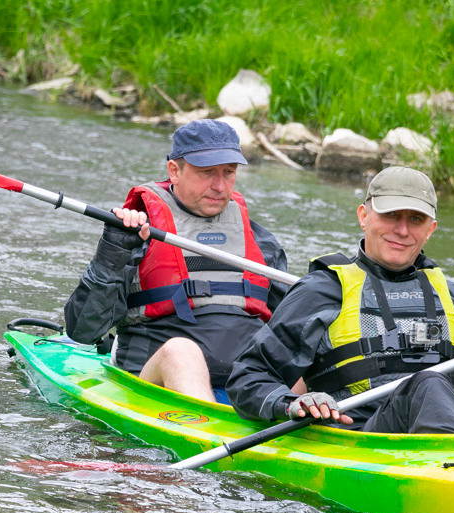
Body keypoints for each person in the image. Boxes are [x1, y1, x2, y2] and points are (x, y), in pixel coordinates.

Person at [226, 166, 454, 435]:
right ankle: (453, 482)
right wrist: (291, 403)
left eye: (415, 220)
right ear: (363, 216)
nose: (402, 230)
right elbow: (248, 377)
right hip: (369, 436)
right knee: (428, 383)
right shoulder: (322, 290)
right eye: (391, 216)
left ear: (430, 229)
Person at [64, 119, 289, 403]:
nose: (220, 186)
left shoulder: (261, 242)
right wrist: (114, 249)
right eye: (206, 173)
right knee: (181, 351)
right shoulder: (135, 233)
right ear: (175, 171)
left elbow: (292, 327)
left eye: (228, 173)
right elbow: (83, 330)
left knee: (299, 353)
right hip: (157, 380)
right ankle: (204, 433)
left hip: (246, 382)